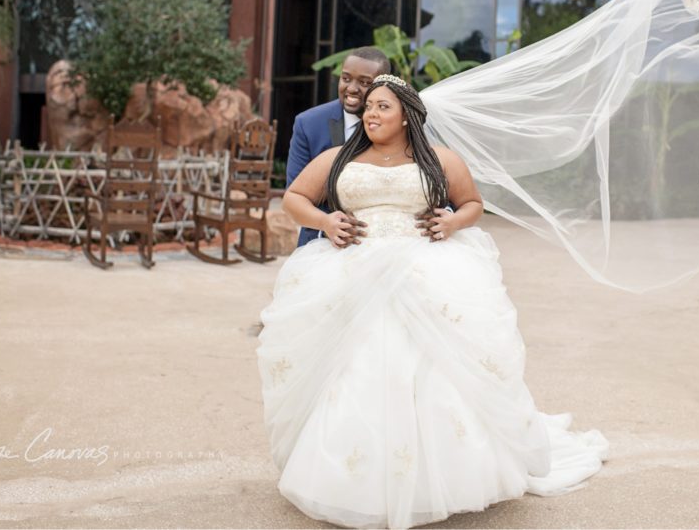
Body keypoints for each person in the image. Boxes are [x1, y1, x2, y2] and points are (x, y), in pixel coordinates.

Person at [257, 74, 608, 529]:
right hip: (351, 273)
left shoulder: (440, 159)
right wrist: (326, 222)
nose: (371, 114)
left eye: (382, 106)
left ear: (406, 114)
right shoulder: (338, 158)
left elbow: (472, 204)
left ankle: (448, 475)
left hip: (424, 272)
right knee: (353, 366)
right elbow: (296, 197)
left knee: (434, 366)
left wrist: (451, 223)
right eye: (368, 107)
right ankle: (348, 479)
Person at [285, 46, 390, 247]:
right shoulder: (308, 124)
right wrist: (326, 224)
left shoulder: (399, 123)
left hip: (387, 248)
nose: (351, 88)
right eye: (346, 78)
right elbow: (293, 198)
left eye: (364, 82)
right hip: (322, 245)